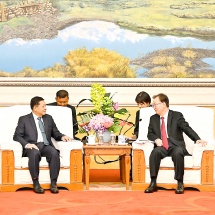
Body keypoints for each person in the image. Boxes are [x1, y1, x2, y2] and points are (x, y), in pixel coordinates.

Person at [145, 93, 207, 194]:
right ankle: (153, 183)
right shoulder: (153, 118)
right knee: (155, 152)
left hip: (175, 145)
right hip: (161, 146)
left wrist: (197, 139)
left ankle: (180, 183)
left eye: (155, 104)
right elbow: (150, 134)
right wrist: (156, 139)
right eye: (153, 105)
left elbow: (186, 128)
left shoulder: (177, 115)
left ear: (164, 104)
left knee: (178, 152)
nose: (153, 107)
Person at [13, 96, 72, 194]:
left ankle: (53, 183)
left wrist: (62, 136)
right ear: (35, 108)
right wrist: (27, 145)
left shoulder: (48, 118)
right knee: (34, 154)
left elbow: (55, 133)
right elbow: (17, 136)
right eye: (43, 106)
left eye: (45, 106)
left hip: (45, 145)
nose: (46, 108)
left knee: (54, 153)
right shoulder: (24, 119)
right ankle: (36, 183)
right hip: (32, 146)